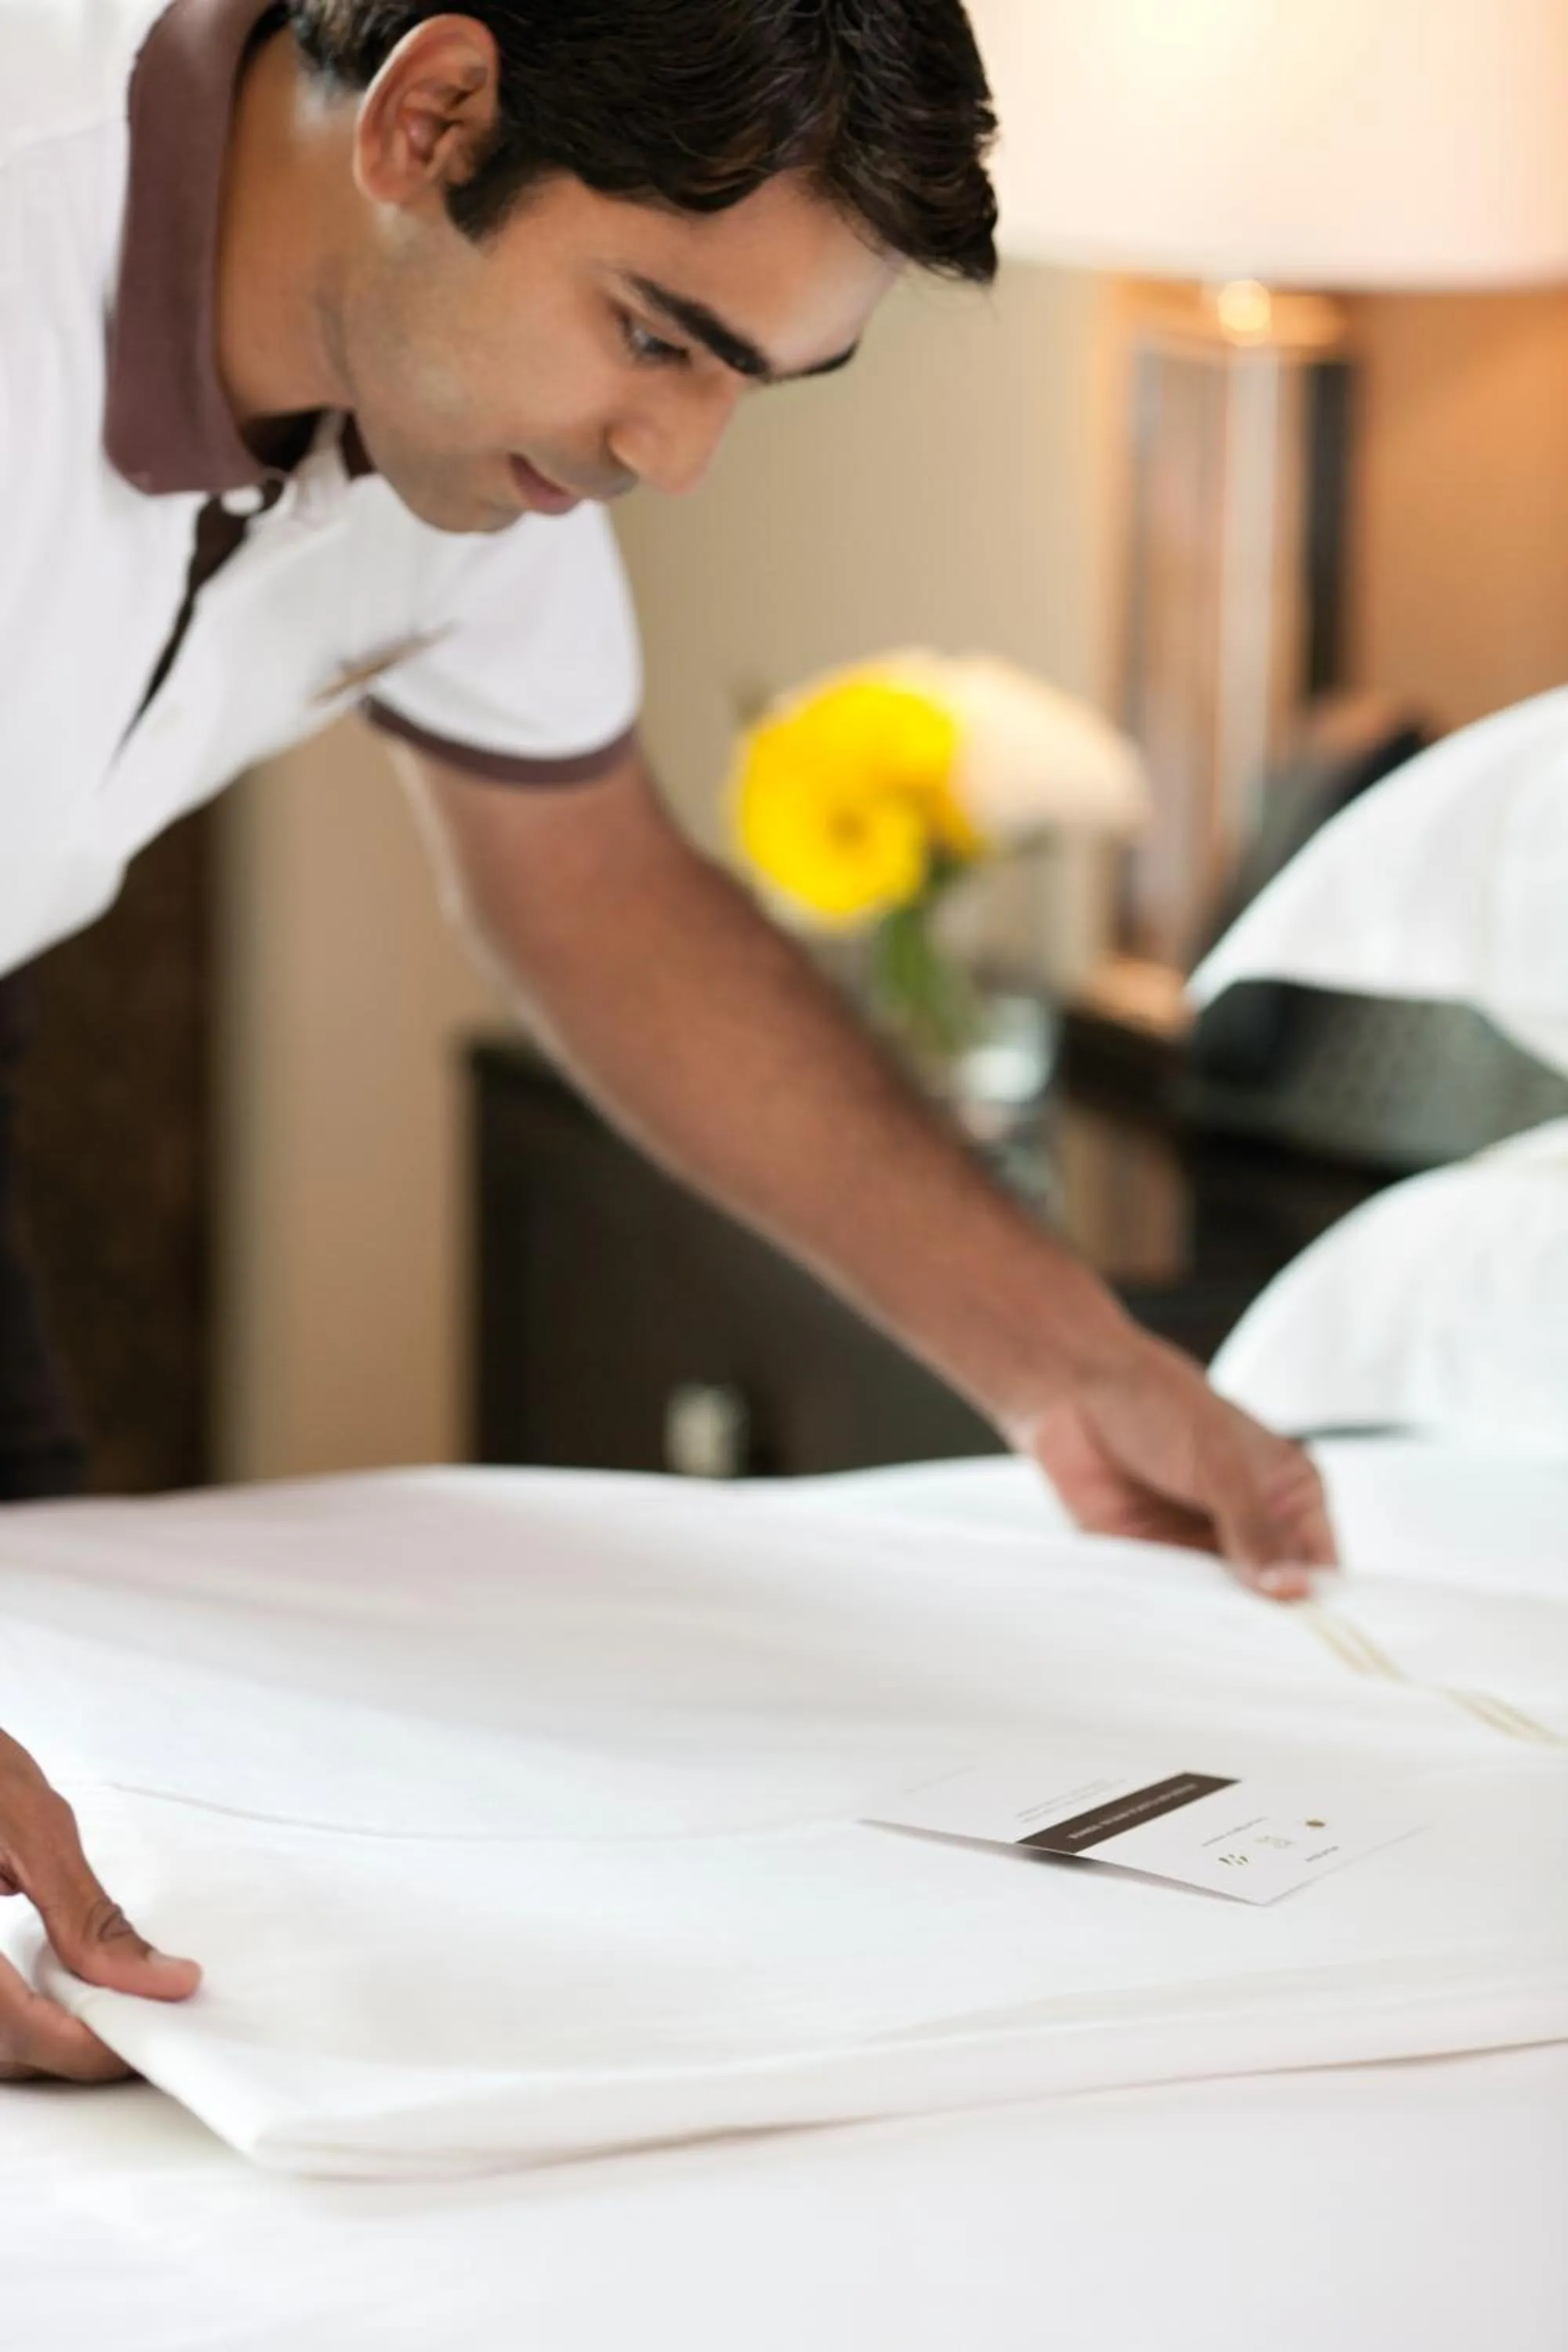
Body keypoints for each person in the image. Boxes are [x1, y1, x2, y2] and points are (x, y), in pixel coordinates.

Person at [0, 0, 1337, 2085]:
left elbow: (603, 899)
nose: (672, 454)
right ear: (433, 116)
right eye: (657, 332)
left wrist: (1062, 1358)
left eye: (752, 382)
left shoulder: (460, 427)